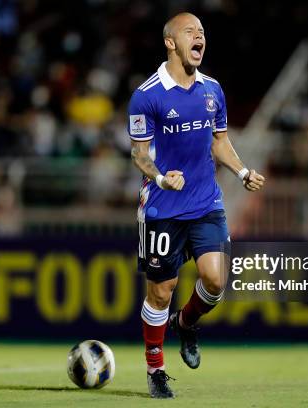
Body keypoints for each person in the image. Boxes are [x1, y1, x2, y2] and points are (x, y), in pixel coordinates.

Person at [127, 12, 265, 398]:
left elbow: (219, 141)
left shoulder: (212, 90)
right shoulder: (147, 95)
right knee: (160, 291)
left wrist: (241, 173)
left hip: (206, 202)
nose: (199, 37)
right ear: (171, 42)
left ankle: (186, 324)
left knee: (217, 281)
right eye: (191, 31)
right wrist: (160, 178)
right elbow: (139, 154)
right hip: (161, 207)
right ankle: (155, 369)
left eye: (202, 32)